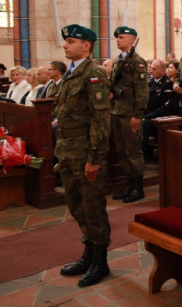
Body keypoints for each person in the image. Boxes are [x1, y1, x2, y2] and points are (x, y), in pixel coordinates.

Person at [54, 24, 112, 287]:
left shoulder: (95, 74)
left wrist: (94, 159)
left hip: (86, 155)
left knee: (93, 207)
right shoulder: (71, 73)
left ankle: (100, 261)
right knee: (76, 205)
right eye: (66, 41)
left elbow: (100, 120)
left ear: (86, 45)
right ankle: (88, 254)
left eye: (70, 41)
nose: (65, 45)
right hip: (68, 152)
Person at [109, 26, 149, 204]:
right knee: (122, 151)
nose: (118, 40)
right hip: (117, 111)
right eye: (117, 37)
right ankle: (128, 184)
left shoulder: (137, 61)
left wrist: (137, 115)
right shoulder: (119, 60)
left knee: (133, 151)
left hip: (130, 113)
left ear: (132, 40)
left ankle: (137, 187)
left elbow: (141, 91)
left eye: (122, 37)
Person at [141, 59, 173, 159]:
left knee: (143, 124)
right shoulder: (150, 82)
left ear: (163, 71)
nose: (151, 71)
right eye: (150, 68)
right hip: (149, 115)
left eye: (154, 69)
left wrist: (145, 117)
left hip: (160, 118)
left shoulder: (167, 84)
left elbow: (164, 108)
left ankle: (143, 155)